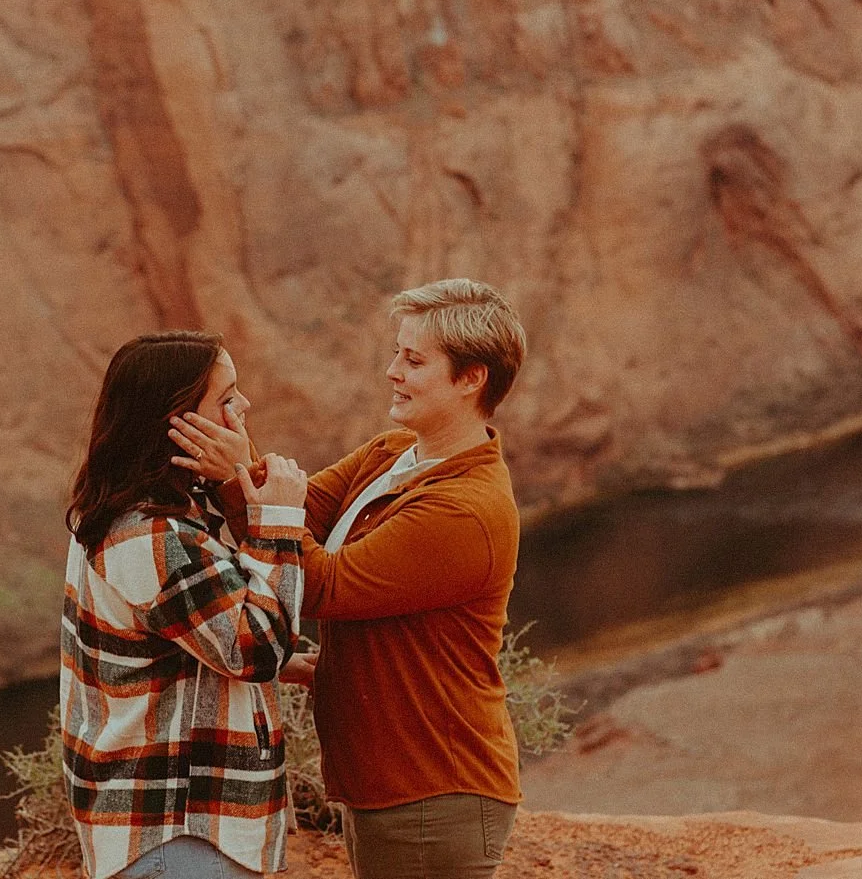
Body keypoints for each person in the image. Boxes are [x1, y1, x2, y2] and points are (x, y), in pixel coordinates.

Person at [169, 279, 528, 879]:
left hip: (434, 784)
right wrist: (236, 467)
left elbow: (321, 587)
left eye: (414, 360)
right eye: (397, 352)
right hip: (394, 779)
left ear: (471, 379)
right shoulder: (392, 454)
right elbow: (292, 515)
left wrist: (238, 479)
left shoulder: (465, 509)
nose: (392, 371)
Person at [59, 331, 309, 879]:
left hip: (171, 836)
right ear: (177, 423)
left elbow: (185, 632)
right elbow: (256, 649)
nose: (244, 407)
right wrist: (281, 519)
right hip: (180, 836)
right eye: (227, 396)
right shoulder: (152, 535)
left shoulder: (139, 513)